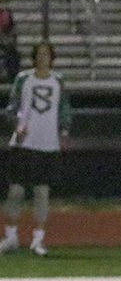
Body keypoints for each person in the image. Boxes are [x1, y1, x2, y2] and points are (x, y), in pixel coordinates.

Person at [0, 42, 71, 257]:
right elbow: (12, 107)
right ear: (34, 57)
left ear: (51, 58)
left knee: (42, 192)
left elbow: (64, 108)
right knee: (16, 191)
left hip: (47, 143)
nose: (42, 58)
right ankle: (10, 236)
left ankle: (38, 240)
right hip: (24, 143)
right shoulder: (24, 79)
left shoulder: (58, 80)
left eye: (46, 54)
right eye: (39, 54)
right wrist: (17, 125)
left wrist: (64, 131)